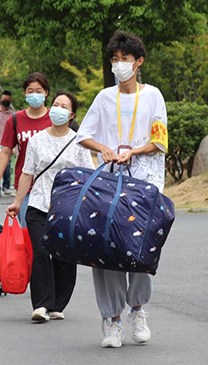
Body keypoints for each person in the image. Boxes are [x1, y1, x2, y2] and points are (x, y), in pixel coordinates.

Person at [77, 31, 168, 348]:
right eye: (114, 59)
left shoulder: (153, 96)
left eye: (125, 59)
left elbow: (160, 140)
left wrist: (134, 151)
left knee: (141, 248)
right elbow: (83, 134)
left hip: (144, 186)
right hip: (108, 184)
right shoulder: (105, 97)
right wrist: (103, 148)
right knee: (106, 250)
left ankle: (138, 310)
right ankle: (112, 320)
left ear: (138, 62)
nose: (119, 65)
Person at [6, 91, 94, 322]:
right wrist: (17, 202)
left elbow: (88, 176)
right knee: (41, 252)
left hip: (67, 209)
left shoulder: (79, 142)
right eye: (55, 104)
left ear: (72, 115)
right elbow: (27, 173)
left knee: (64, 257)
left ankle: (57, 304)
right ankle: (41, 305)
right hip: (39, 204)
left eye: (64, 106)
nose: (58, 109)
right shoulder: (36, 140)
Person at [0, 73, 52, 228]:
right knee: (28, 231)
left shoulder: (54, 119)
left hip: (50, 185)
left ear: (46, 93)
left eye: (39, 91)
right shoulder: (15, 119)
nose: (34, 94)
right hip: (25, 186)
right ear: (24, 93)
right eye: (30, 91)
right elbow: (6, 151)